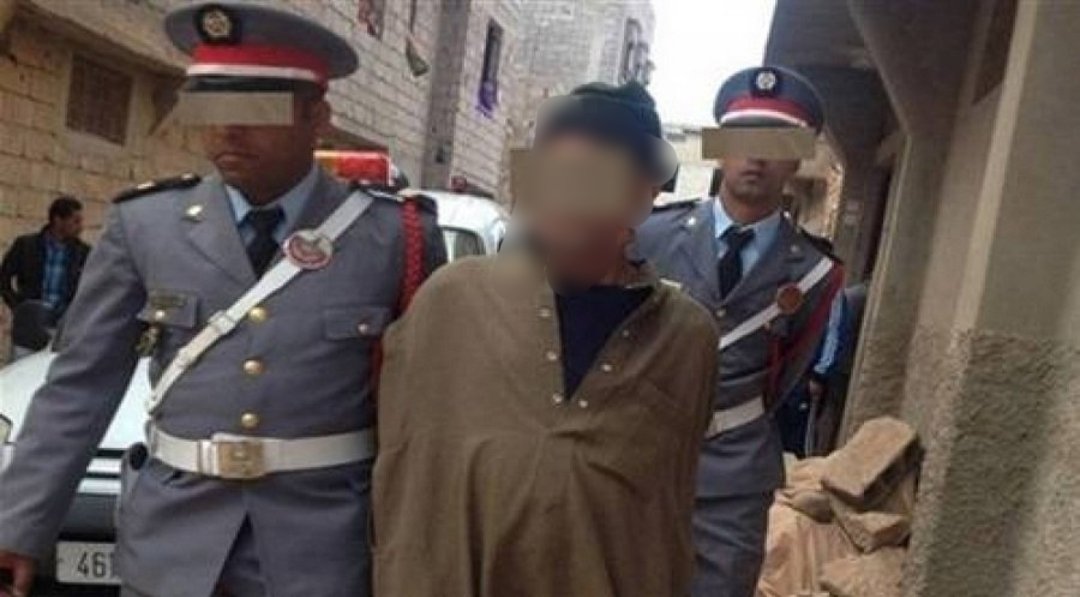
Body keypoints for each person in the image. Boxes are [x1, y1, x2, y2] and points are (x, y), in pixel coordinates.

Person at [0, 3, 445, 597]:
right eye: (211, 104)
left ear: (317, 116)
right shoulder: (147, 223)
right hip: (171, 547)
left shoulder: (396, 236)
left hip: (324, 553)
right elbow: (81, 383)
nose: (228, 128)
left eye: (257, 106)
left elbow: (431, 415)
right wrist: (18, 526)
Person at [372, 82, 717, 597]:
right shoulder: (453, 300)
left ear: (643, 196)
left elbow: (667, 507)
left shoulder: (685, 337)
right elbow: (405, 463)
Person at [635, 66, 844, 597]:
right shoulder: (651, 236)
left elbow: (785, 375)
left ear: (797, 158)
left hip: (733, 476)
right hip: (636, 453)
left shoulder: (815, 272)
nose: (756, 156)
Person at [0, 196, 89, 319]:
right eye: (76, 221)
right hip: (31, 320)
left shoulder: (83, 253)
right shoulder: (26, 246)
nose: (81, 227)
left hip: (66, 322)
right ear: (58, 220)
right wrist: (18, 306)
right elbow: (3, 278)